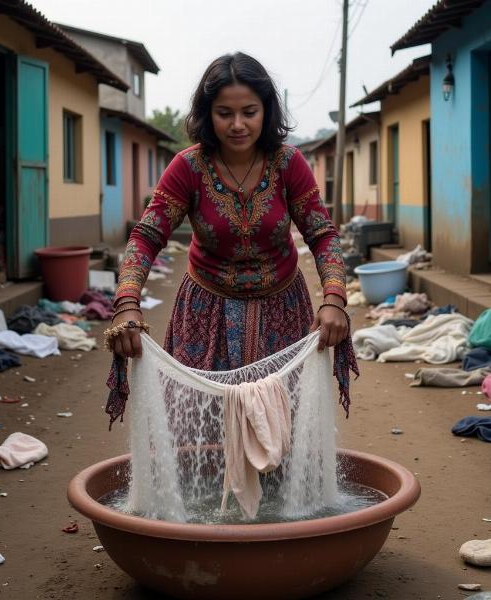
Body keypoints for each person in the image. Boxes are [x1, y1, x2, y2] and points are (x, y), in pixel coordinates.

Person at [105, 52, 358, 426]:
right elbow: (146, 236)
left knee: (281, 428)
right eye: (225, 113)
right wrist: (127, 304)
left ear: (266, 111)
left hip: (283, 315)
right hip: (205, 317)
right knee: (205, 426)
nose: (237, 124)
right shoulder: (188, 167)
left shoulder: (290, 164)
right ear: (208, 114)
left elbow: (322, 234)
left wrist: (334, 299)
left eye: (249, 112)